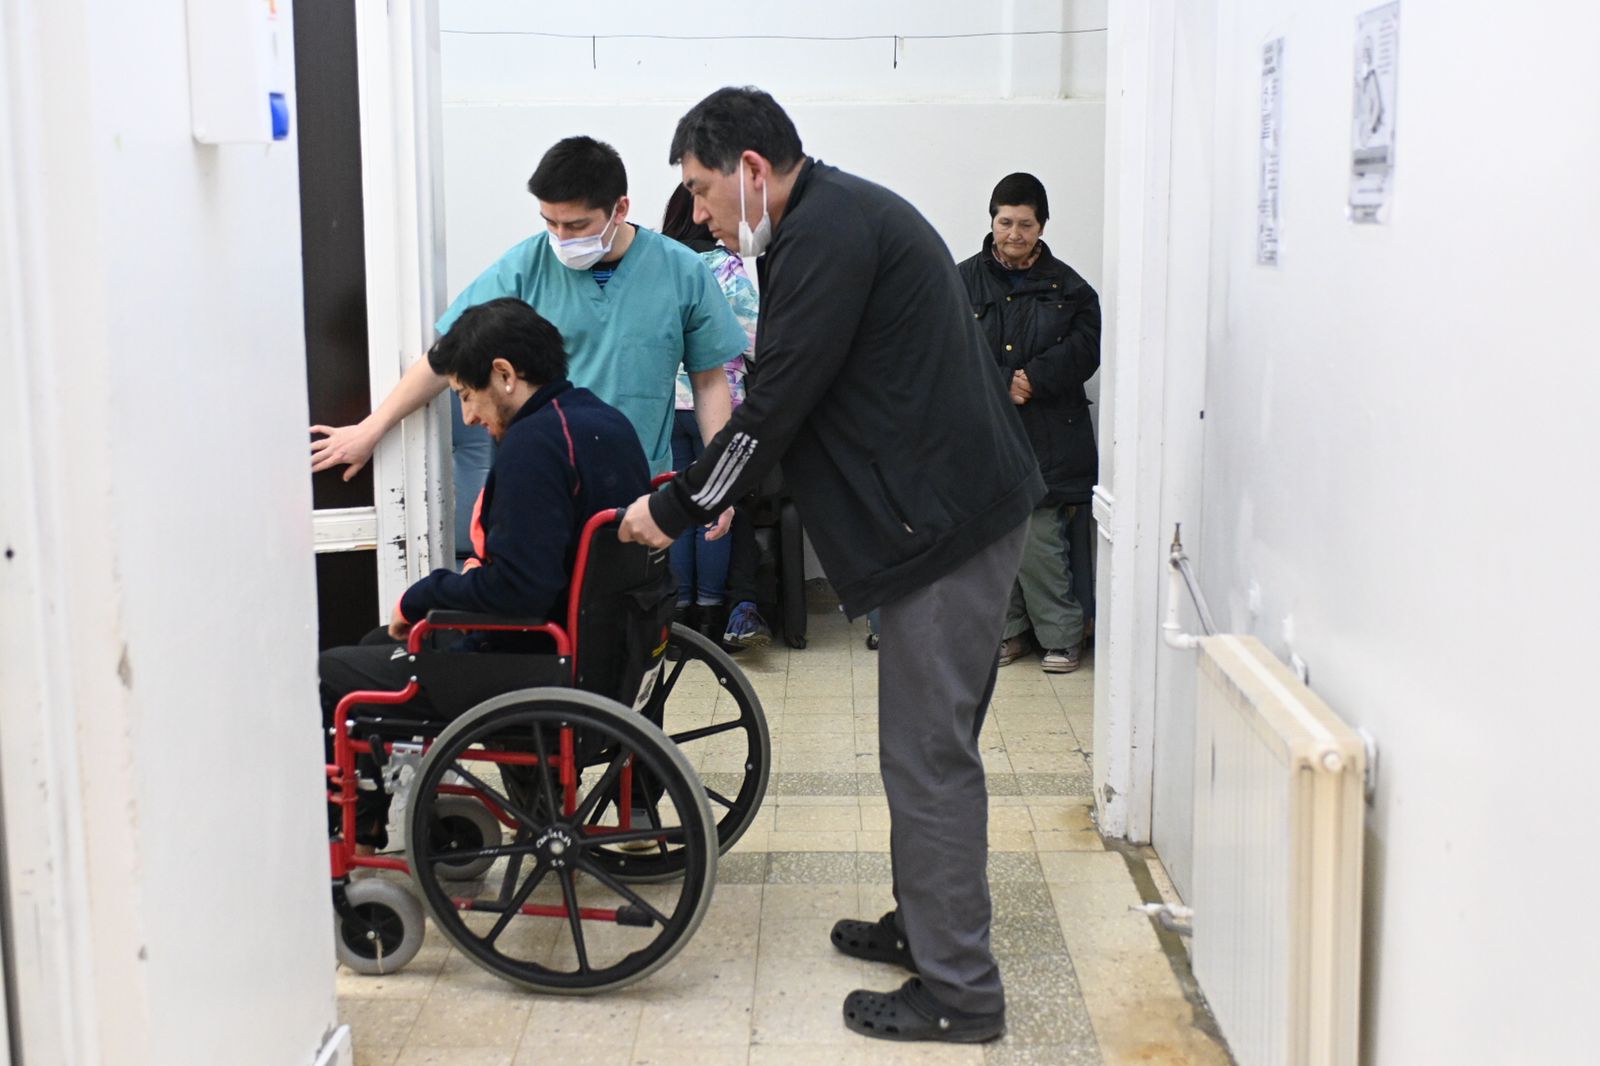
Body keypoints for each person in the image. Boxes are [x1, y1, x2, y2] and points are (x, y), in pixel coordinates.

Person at [618, 86, 1043, 1044]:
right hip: (952, 512)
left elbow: (772, 409)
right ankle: (926, 927)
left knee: (927, 759)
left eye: (699, 189)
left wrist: (676, 506)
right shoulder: (830, 222)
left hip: (948, 527)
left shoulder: (827, 235)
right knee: (927, 754)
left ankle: (961, 993)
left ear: (753, 172)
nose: (695, 213)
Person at [319, 298, 651, 847]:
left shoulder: (533, 445)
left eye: (466, 396)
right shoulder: (602, 420)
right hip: (609, 649)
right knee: (378, 645)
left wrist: (423, 596)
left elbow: (517, 591)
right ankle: (447, 810)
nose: (469, 416)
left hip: (536, 663)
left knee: (335, 673)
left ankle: (364, 827)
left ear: (504, 374)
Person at [309, 136, 748, 531]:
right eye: (549, 222)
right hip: (546, 481)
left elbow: (709, 381)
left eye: (576, 226)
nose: (561, 237)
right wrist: (372, 427)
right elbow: (449, 356)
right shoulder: (527, 266)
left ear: (620, 209)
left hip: (640, 487)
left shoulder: (682, 271)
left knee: (632, 606)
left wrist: (716, 482)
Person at [958, 173, 1102, 674]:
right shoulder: (960, 280)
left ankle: (1062, 634)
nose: (1014, 234)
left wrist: (1033, 379)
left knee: (1038, 537)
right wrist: (1003, 383)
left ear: (1042, 225)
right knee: (994, 540)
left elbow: (1086, 349)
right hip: (987, 434)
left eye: (1025, 224)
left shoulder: (1072, 287)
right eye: (1005, 222)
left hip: (1050, 435)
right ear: (992, 219)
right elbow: (945, 351)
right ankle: (1008, 632)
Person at [658, 186, 771, 649]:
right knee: (714, 502)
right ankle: (710, 613)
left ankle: (679, 613)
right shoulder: (726, 268)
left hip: (667, 404)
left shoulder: (658, 266)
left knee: (677, 505)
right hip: (717, 404)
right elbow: (752, 338)